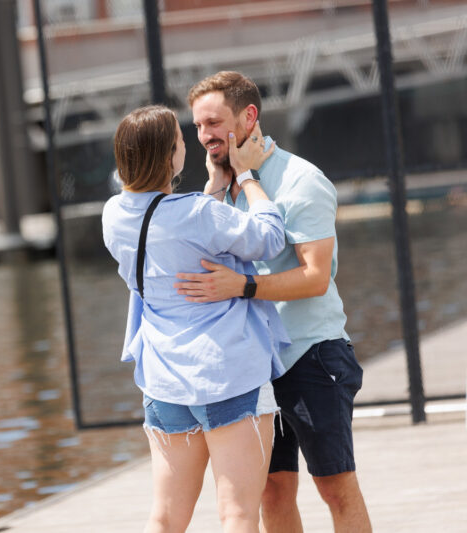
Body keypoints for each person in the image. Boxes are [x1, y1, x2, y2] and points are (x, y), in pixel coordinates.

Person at [175, 71, 372, 532]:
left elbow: (316, 277)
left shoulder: (302, 181)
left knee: (335, 486)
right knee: (271, 490)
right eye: (198, 127)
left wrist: (243, 287)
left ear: (249, 117)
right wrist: (220, 186)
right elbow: (201, 257)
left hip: (313, 355)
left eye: (213, 124)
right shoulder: (222, 185)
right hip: (254, 366)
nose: (204, 137)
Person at [102, 104, 291, 533]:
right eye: (181, 138)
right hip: (228, 375)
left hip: (165, 382)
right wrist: (246, 177)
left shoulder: (114, 215)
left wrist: (211, 190)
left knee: (165, 518)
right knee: (238, 514)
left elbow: (173, 236)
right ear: (170, 155)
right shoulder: (197, 213)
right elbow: (269, 237)